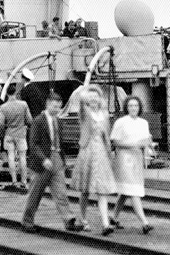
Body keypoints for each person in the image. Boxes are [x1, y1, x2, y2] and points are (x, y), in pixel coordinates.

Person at [22, 92, 84, 233]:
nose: (57, 110)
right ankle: (27, 220)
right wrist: (43, 159)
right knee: (35, 193)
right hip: (41, 163)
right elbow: (33, 144)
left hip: (56, 159)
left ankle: (68, 219)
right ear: (48, 104)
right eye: (55, 107)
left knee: (61, 192)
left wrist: (63, 160)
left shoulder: (59, 121)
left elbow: (60, 142)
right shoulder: (38, 121)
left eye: (59, 107)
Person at [71, 85, 117, 235]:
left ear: (100, 98)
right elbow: (82, 105)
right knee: (85, 190)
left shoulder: (104, 114)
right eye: (90, 97)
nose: (93, 99)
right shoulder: (85, 113)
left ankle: (105, 223)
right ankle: (83, 218)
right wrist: (89, 88)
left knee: (101, 189)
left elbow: (106, 135)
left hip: (101, 152)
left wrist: (110, 153)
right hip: (87, 151)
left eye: (95, 96)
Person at [109, 96, 154, 234]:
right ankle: (144, 222)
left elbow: (146, 139)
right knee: (133, 190)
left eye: (136, 105)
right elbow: (115, 141)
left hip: (137, 158)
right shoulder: (121, 122)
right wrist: (134, 144)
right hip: (124, 158)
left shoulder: (143, 123)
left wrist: (148, 148)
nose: (133, 108)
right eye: (130, 106)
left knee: (125, 190)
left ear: (139, 107)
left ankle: (113, 217)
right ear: (126, 108)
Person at [0, 85, 33, 190]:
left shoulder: (3, 107)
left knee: (11, 157)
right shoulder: (23, 104)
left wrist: (3, 133)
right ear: (16, 93)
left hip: (9, 134)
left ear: (7, 94)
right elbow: (30, 120)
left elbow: (0, 124)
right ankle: (24, 181)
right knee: (22, 157)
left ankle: (14, 180)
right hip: (21, 134)